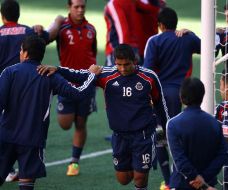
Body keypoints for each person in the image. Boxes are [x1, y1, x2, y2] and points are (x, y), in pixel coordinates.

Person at [38, 43, 169, 190]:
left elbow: (160, 103)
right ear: (114, 62)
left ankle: (141, 171)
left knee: (140, 177)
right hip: (119, 136)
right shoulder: (106, 75)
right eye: (119, 64)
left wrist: (165, 127)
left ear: (135, 61)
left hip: (143, 135)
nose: (123, 69)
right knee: (123, 179)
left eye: (127, 64)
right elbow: (79, 75)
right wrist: (58, 69)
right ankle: (137, 165)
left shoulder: (149, 77)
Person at [0, 35, 96, 190]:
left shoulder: (9, 72)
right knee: (26, 185)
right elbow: (79, 94)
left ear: (24, 53)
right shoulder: (50, 76)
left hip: (5, 137)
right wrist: (92, 75)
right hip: (32, 140)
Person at [0, 0, 62, 182]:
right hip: (28, 84)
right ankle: (21, 170)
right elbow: (49, 35)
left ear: (2, 15)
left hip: (5, 85)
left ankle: (8, 167)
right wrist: (58, 20)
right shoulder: (29, 32)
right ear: (18, 14)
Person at [143, 7, 201, 189]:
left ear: (159, 25)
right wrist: (190, 32)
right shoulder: (187, 38)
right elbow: (209, 48)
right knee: (178, 136)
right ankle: (178, 178)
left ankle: (169, 181)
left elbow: (148, 71)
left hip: (160, 94)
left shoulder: (154, 41)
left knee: (160, 134)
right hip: (182, 94)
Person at [48, 0, 97, 176]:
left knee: (81, 123)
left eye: (82, 6)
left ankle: (74, 162)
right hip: (67, 83)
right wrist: (55, 21)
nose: (80, 10)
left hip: (86, 84)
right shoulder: (61, 28)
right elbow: (46, 38)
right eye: (76, 6)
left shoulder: (91, 29)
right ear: (69, 7)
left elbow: (92, 53)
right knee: (65, 123)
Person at [167, 77, 227, 190]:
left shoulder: (173, 124)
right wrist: (204, 179)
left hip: (182, 184)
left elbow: (179, 159)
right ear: (202, 96)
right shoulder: (215, 123)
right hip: (208, 184)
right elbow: (223, 154)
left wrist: (196, 178)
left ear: (181, 97)